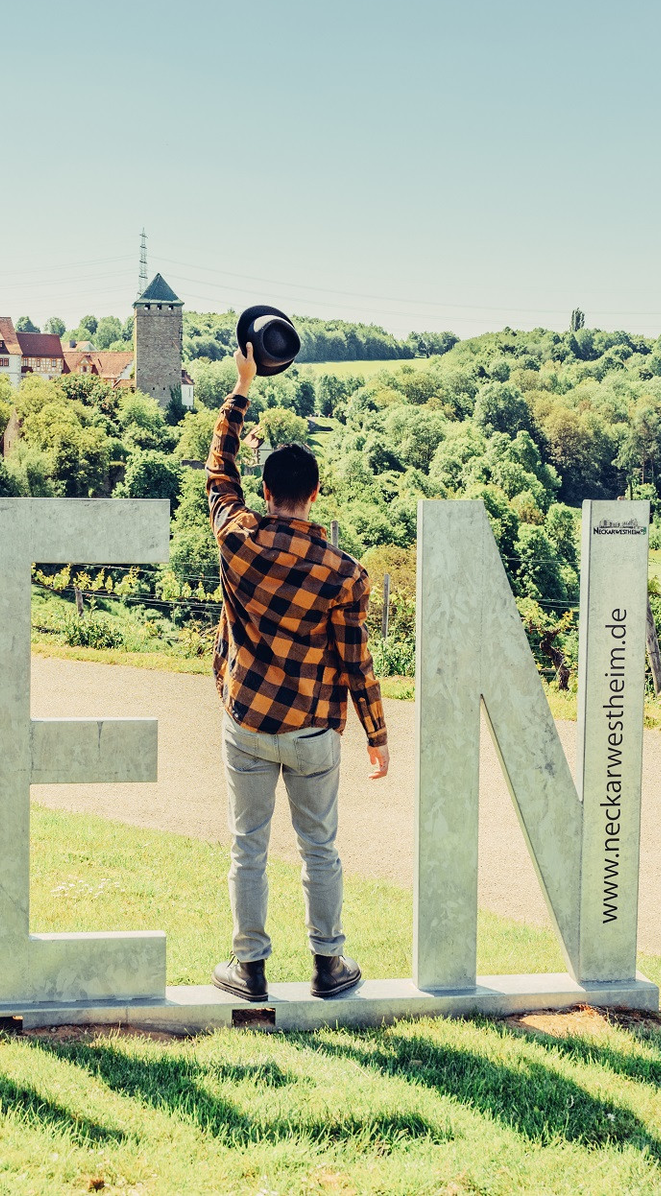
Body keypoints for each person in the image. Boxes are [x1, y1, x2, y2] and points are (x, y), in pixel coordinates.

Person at [205, 339, 389, 1003]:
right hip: (313, 730)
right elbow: (355, 657)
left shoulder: (237, 539)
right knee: (320, 849)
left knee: (247, 846)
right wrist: (376, 734)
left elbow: (217, 472)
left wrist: (242, 387)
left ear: (265, 492)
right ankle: (328, 966)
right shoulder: (345, 574)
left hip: (249, 720)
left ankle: (249, 969)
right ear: (314, 494)